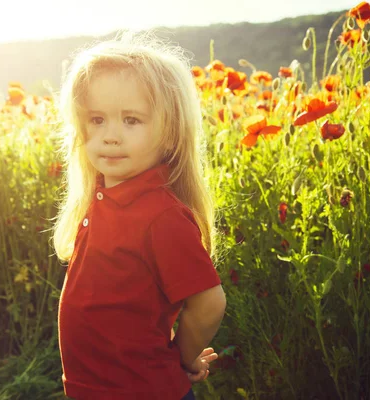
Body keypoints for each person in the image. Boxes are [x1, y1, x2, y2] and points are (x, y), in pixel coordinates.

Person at [52, 29, 227, 400]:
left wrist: (184, 356)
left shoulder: (160, 215)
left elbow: (209, 302)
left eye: (131, 120)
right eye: (97, 119)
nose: (110, 135)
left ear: (170, 132)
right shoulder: (102, 195)